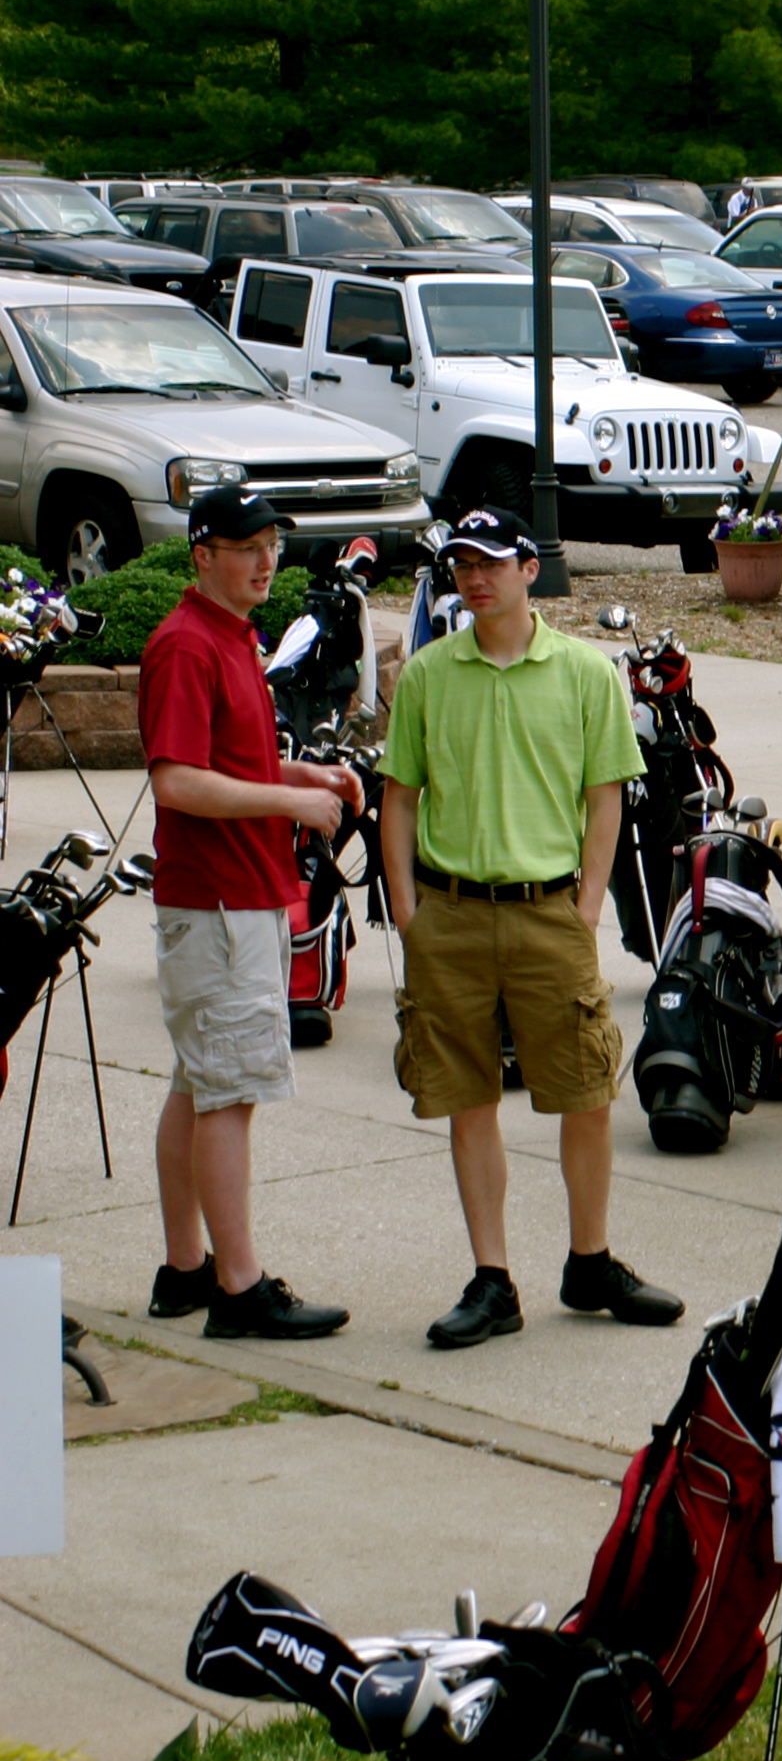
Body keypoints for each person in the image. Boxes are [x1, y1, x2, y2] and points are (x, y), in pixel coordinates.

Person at [376, 510, 680, 1350]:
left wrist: (587, 906)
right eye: (462, 566)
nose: (475, 579)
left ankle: (591, 1261)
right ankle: (492, 1279)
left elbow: (605, 796)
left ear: (528, 569)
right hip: (450, 916)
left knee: (586, 1090)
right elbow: (399, 798)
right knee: (466, 1098)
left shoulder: (584, 673)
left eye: (491, 564)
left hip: (550, 913)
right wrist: (406, 912)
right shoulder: (430, 674)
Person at [137, 489, 353, 1340]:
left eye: (272, 545)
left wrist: (305, 776)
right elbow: (176, 781)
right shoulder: (185, 645)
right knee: (228, 1094)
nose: (266, 562)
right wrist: (289, 802)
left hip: (233, 897)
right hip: (219, 905)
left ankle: (184, 1268)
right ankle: (239, 1287)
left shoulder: (232, 636)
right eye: (246, 547)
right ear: (202, 555)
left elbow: (232, 761)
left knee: (199, 1082)